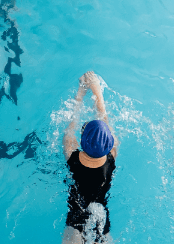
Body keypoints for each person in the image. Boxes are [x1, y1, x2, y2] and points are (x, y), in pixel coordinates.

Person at [61, 71, 119, 244]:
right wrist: (97, 90)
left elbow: (70, 126)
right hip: (101, 219)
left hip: (75, 219)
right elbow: (105, 121)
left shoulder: (72, 156)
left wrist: (81, 92)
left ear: (81, 142)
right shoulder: (112, 157)